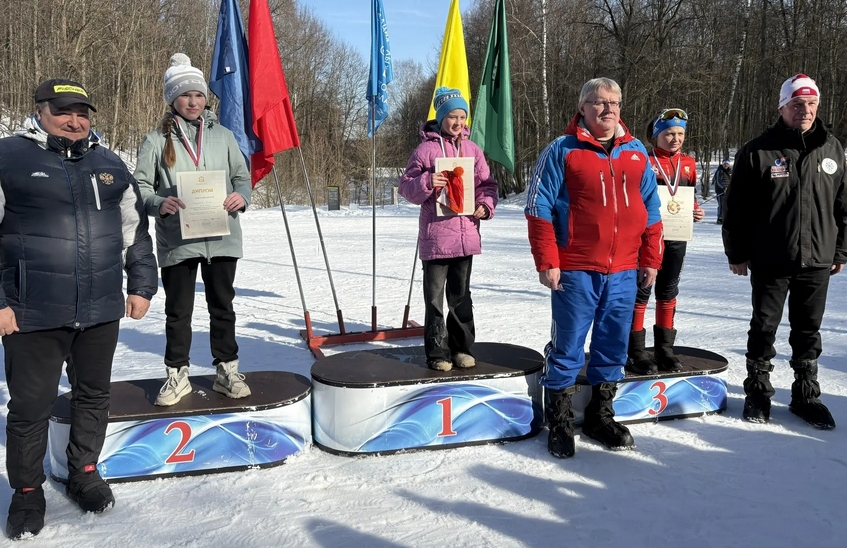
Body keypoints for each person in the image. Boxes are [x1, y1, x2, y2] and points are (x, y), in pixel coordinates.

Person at [0, 79, 157, 538]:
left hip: (100, 308)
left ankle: (84, 471)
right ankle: (27, 493)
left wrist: (142, 283)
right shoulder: (8, 157)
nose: (75, 121)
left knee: (93, 396)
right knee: (30, 408)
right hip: (31, 312)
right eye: (64, 111)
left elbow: (134, 232)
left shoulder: (109, 163)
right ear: (40, 110)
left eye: (83, 112)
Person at [525, 77, 664, 458]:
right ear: (583, 107)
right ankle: (561, 419)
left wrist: (651, 258)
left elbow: (651, 212)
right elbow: (538, 208)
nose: (607, 109)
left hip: (623, 269)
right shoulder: (562, 149)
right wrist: (548, 261)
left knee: (613, 346)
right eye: (599, 103)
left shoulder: (636, 152)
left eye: (614, 102)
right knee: (568, 345)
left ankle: (602, 414)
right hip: (575, 269)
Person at [723, 73, 847, 429]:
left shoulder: (832, 148)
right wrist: (737, 252)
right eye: (796, 104)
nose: (804, 111)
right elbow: (736, 208)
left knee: (808, 330)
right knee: (764, 326)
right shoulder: (758, 150)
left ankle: (806, 395)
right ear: (782, 107)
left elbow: (844, 204)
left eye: (810, 104)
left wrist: (840, 251)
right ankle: (758, 392)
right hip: (770, 258)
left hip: (818, 259)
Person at [134, 54, 252, 406]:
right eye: (185, 95)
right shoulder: (156, 139)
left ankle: (227, 370)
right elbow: (139, 185)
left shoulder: (225, 136)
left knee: (223, 307)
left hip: (221, 236)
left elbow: (242, 178)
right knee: (178, 310)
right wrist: (159, 203)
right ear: (173, 99)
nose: (193, 101)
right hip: (178, 240)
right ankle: (176, 374)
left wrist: (239, 197)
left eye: (198, 95)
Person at [398, 87, 498, 371]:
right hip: (436, 238)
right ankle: (437, 353)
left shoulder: (472, 150)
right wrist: (429, 180)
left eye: (462, 116)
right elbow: (407, 187)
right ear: (441, 117)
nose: (457, 122)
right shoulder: (425, 150)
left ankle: (462, 349)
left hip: (465, 235)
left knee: (461, 297)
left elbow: (487, 186)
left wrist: (485, 205)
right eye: (452, 116)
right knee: (434, 300)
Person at [626, 109, 705, 375]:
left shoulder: (690, 164)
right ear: (656, 135)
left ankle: (664, 349)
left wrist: (695, 211)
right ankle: (635, 349)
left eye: (680, 134)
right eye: (669, 133)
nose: (675, 139)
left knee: (669, 290)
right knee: (642, 290)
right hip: (646, 237)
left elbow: (686, 196)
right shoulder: (643, 160)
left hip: (676, 237)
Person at [713, 158, 731, 223]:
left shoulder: (730, 171)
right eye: (725, 164)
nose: (726, 165)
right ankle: (720, 218)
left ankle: (726, 218)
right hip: (720, 191)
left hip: (728, 191)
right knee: (721, 204)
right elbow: (718, 181)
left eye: (727, 164)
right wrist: (723, 188)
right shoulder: (719, 171)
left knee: (728, 205)